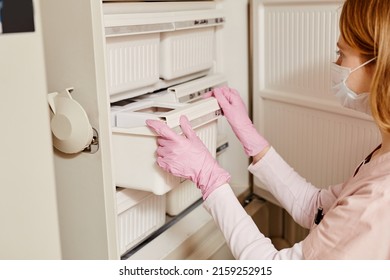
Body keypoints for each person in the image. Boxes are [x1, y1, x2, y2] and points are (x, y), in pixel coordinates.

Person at [146, 0, 390, 259]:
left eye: (341, 54)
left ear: (380, 65)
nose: (336, 62)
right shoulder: (382, 156)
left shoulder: (379, 199)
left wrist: (209, 178)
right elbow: (315, 208)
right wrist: (253, 140)